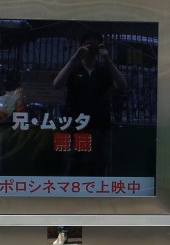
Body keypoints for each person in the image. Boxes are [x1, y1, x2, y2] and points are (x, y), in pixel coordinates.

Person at [53, 32, 127, 174]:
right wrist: (74, 58)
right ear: (81, 46)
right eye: (87, 45)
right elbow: (57, 84)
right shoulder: (74, 69)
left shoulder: (104, 70)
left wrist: (108, 61)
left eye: (94, 46)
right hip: (75, 125)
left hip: (99, 127)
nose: (91, 49)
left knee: (97, 167)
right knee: (73, 166)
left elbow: (123, 86)